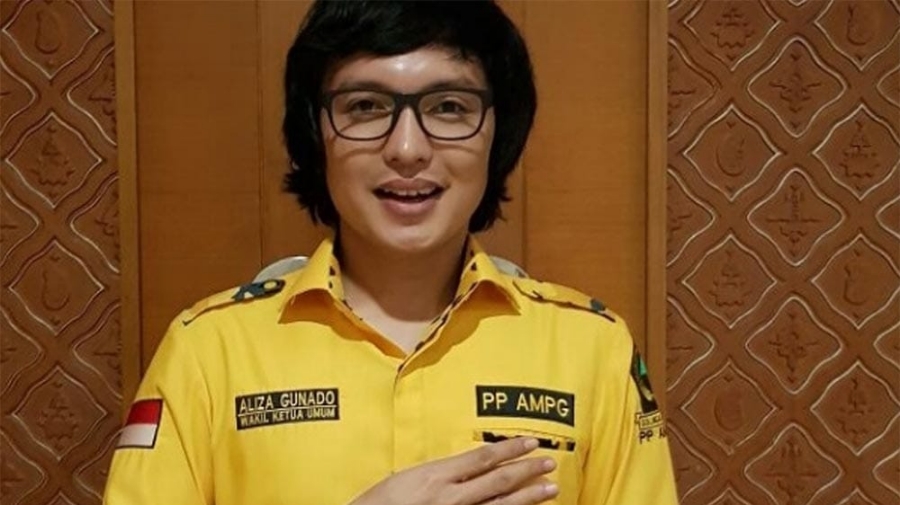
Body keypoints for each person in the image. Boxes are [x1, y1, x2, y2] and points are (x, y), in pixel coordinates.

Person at [103, 2, 679, 504]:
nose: (407, 149)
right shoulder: (209, 351)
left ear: (498, 133)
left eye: (449, 107)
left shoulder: (591, 350)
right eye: (366, 107)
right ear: (315, 134)